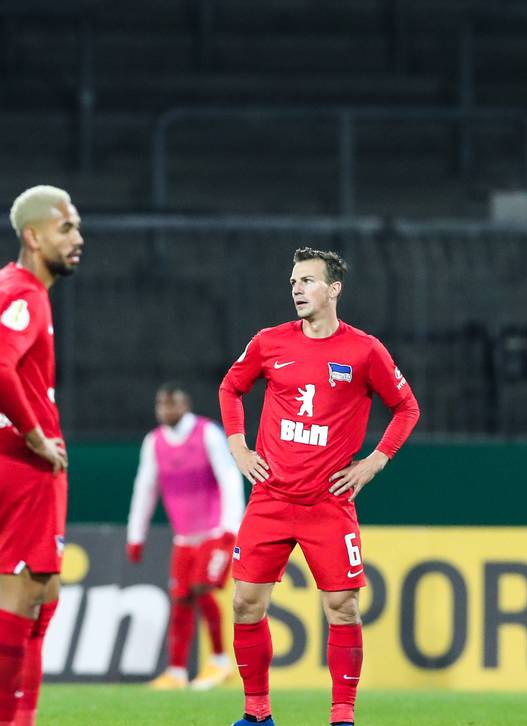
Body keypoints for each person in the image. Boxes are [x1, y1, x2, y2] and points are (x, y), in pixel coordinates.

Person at [218, 248, 420, 726]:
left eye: (307, 281)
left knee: (343, 607)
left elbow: (407, 408)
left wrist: (373, 463)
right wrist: (239, 448)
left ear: (334, 289)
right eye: (293, 281)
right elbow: (231, 387)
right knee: (246, 602)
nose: (296, 289)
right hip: (271, 498)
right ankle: (257, 714)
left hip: (329, 503)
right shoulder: (269, 343)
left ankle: (342, 717)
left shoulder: (365, 351)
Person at [0, 185, 83, 726]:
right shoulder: (27, 296)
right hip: (21, 463)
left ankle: (23, 719)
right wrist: (36, 436)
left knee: (44, 591)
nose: (78, 239)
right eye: (66, 229)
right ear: (33, 236)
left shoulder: (0, 284)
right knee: (18, 599)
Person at [126, 383, 246, 690]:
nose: (167, 410)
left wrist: (230, 528)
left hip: (214, 531)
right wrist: (135, 534)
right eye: (162, 405)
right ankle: (176, 671)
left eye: (172, 405)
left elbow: (229, 477)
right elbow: (145, 489)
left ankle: (220, 662)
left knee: (203, 589)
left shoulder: (207, 433)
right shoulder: (153, 442)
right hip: (183, 537)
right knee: (180, 598)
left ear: (185, 405)